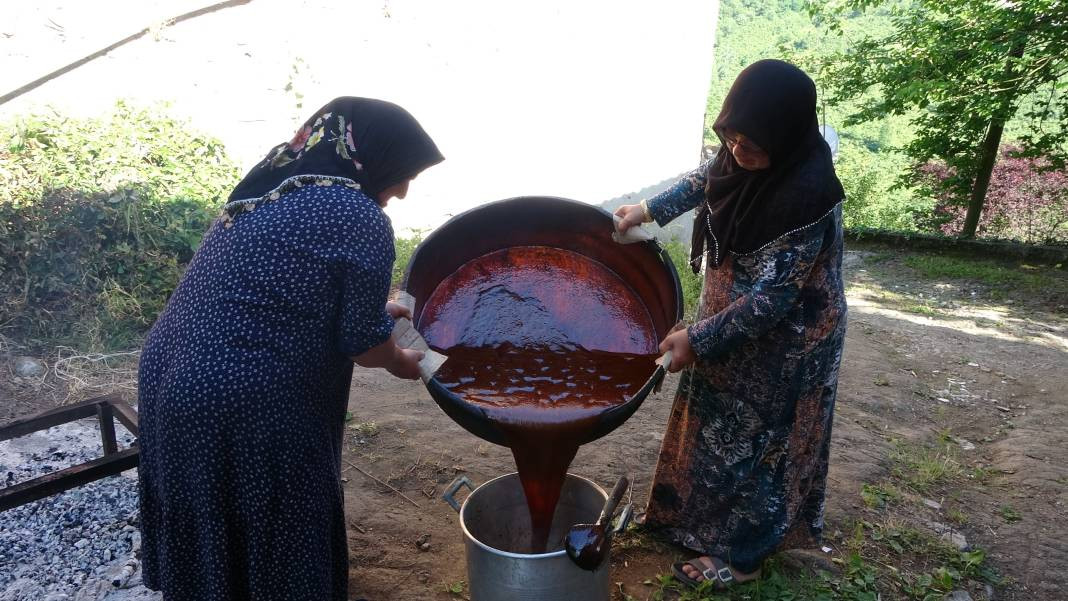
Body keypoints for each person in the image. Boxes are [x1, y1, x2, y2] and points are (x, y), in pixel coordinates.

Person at [136, 97, 444, 601]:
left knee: (211, 510)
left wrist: (374, 317)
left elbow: (275, 296)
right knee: (280, 512)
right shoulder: (359, 213)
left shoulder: (261, 196)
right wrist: (400, 359)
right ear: (372, 159)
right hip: (247, 394)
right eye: (403, 172)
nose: (404, 191)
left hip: (168, 374)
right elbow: (364, 346)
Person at [615, 60, 847, 589]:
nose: (739, 151)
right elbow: (706, 179)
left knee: (765, 442)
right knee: (715, 423)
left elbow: (773, 299)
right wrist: (645, 210)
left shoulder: (806, 195)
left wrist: (697, 339)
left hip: (791, 341)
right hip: (727, 318)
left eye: (753, 143)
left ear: (787, 135)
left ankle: (745, 558)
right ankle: (693, 522)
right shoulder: (740, 155)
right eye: (732, 137)